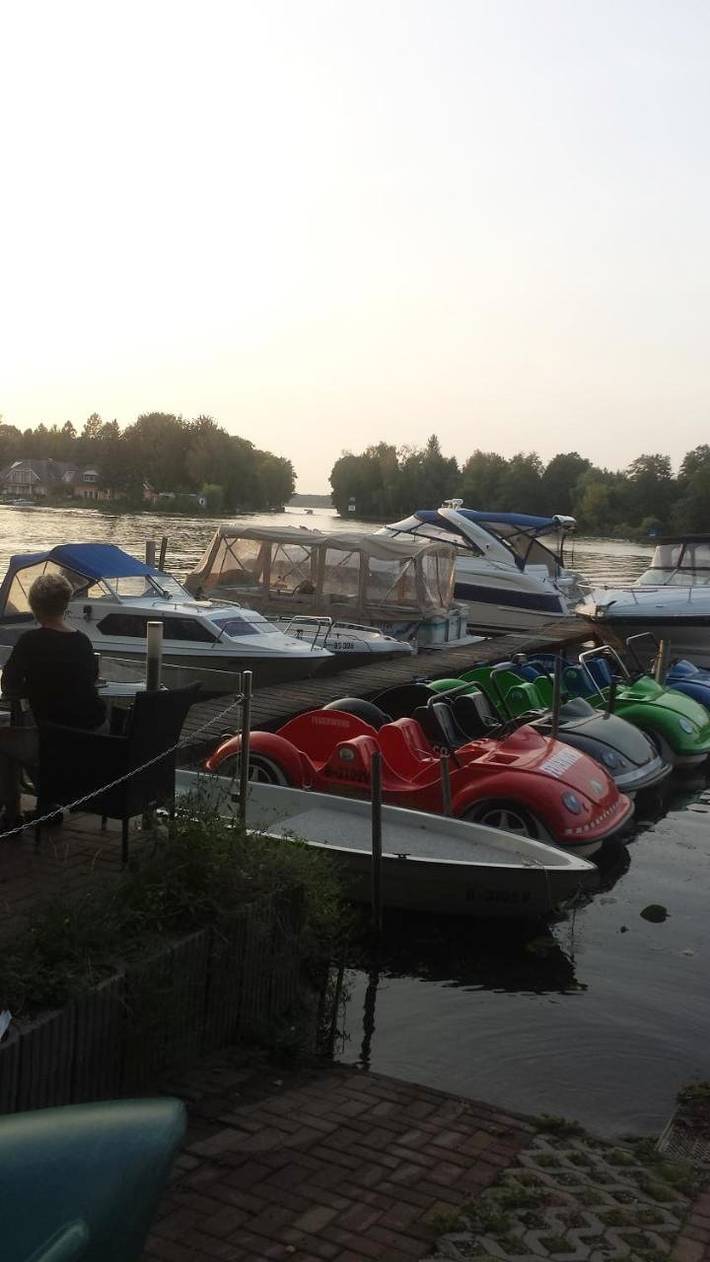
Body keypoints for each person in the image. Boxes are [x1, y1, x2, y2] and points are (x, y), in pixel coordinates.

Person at [0, 573, 107, 829]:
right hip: (85, 737)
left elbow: (8, 684)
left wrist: (31, 687)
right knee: (38, 737)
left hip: (49, 741)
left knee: (4, 741)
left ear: (34, 606)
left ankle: (12, 813)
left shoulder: (30, 642)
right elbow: (89, 680)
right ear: (65, 605)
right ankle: (46, 805)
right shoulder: (82, 642)